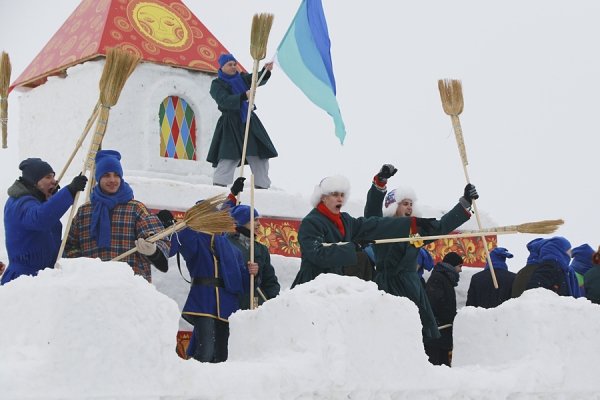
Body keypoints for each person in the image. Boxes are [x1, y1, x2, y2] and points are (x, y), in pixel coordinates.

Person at [364, 164, 478, 342]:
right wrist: (380, 183)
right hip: (387, 287)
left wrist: (465, 202)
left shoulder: (416, 231)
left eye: (411, 204)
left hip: (411, 287)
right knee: (389, 333)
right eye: (404, 204)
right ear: (393, 207)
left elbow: (441, 226)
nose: (409, 207)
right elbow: (371, 212)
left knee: (416, 334)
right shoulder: (381, 227)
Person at [156, 209, 257, 363]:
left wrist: (253, 273)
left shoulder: (233, 250)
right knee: (206, 351)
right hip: (203, 300)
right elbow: (171, 248)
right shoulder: (194, 237)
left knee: (223, 355)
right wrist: (171, 229)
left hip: (228, 305)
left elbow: (243, 284)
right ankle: (195, 383)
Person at [64, 150, 169, 283]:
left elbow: (160, 246)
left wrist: (153, 251)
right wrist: (84, 267)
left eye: (116, 175)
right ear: (98, 178)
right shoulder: (84, 212)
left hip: (129, 290)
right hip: (92, 289)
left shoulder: (136, 209)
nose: (112, 180)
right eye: (107, 175)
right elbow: (69, 247)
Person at [1, 158, 87, 285]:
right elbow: (40, 219)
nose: (54, 181)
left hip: (44, 277)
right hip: (24, 280)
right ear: (34, 181)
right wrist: (68, 192)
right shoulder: (19, 203)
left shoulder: (38, 202)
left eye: (53, 177)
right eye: (48, 177)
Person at [206, 53, 278, 189]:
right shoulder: (217, 84)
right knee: (228, 156)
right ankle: (218, 189)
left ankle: (261, 188)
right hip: (230, 124)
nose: (233, 67)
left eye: (234, 64)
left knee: (259, 155)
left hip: (249, 122)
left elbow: (257, 79)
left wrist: (265, 71)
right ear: (222, 67)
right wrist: (243, 96)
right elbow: (223, 100)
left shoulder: (243, 78)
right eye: (230, 65)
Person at [227, 204, 280, 309]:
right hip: (233, 305)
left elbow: (270, 280)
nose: (259, 224)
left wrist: (273, 302)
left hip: (256, 303)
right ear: (243, 221)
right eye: (255, 220)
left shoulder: (261, 249)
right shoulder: (227, 245)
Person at [425, 252, 464, 367]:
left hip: (441, 334)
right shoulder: (439, 279)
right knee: (438, 366)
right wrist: (451, 317)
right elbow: (435, 304)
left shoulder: (445, 279)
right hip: (437, 334)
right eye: (460, 266)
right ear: (452, 265)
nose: (461, 270)